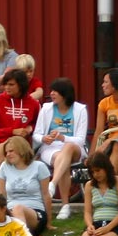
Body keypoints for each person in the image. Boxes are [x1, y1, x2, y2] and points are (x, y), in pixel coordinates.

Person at [34, 78, 89, 220]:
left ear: (64, 94)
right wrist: (43, 139)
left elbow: (81, 140)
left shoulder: (80, 109)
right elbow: (36, 134)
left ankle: (53, 184)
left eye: (55, 91)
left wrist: (62, 138)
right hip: (50, 149)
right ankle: (65, 206)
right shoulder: (46, 108)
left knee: (68, 148)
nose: (51, 94)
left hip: (74, 148)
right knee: (62, 160)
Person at [0, 69, 39, 195]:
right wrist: (12, 131)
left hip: (23, 147)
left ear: (21, 85)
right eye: (5, 84)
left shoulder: (33, 104)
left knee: (7, 148)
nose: (7, 87)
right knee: (3, 147)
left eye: (11, 84)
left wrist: (30, 128)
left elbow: (39, 126)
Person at [0, 136, 52, 235]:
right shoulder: (4, 167)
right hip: (10, 210)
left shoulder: (39, 167)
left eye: (11, 151)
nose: (8, 154)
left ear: (21, 149)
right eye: (6, 152)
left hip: (35, 212)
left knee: (18, 208)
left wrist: (49, 223)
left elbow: (46, 195)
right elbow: (2, 195)